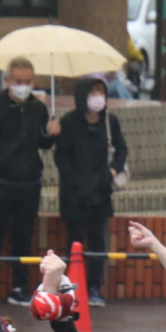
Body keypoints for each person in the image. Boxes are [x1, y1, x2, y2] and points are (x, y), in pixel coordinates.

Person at [0, 57, 61, 306]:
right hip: (0, 183)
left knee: (24, 237)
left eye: (27, 81)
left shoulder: (38, 108)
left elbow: (42, 143)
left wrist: (51, 134)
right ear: (7, 81)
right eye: (18, 81)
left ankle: (20, 287)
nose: (23, 86)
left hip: (29, 183)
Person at [56, 77, 128, 308]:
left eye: (101, 92)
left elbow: (121, 149)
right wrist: (72, 181)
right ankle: (71, 287)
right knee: (75, 243)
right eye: (93, 92)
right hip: (74, 195)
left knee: (98, 242)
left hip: (100, 194)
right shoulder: (69, 123)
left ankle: (95, 287)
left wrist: (113, 171)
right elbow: (61, 157)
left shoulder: (109, 121)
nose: (98, 97)